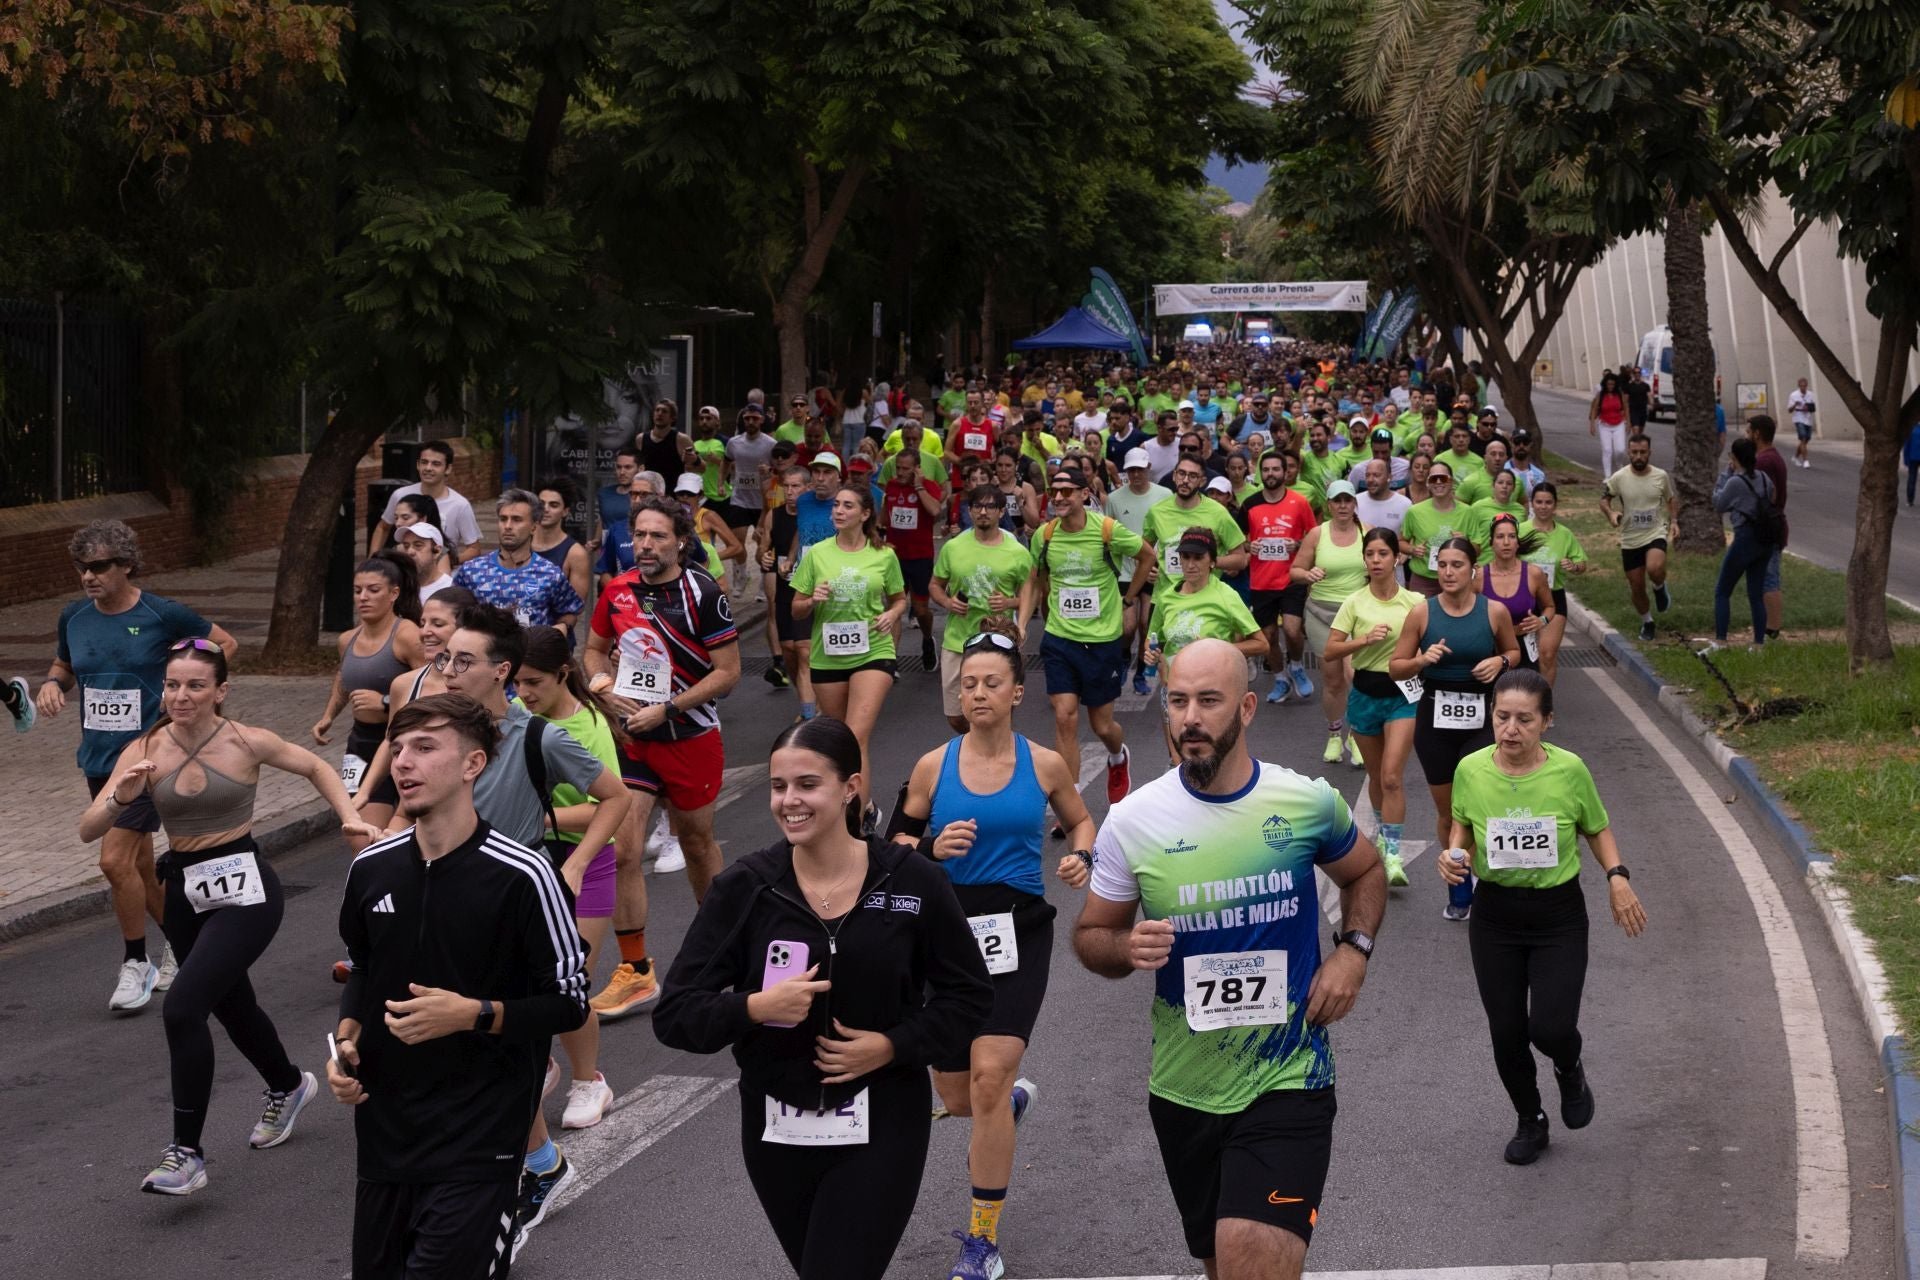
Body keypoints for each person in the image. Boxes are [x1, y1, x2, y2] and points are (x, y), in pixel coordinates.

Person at [1072, 639, 1387, 1280]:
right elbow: (1091, 936)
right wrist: (1122, 948)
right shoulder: (1132, 821)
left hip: (1289, 1077)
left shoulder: (1305, 803)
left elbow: (1366, 872)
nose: (1190, 717)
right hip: (1185, 1087)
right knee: (1222, 1266)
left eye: (1208, 701)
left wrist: (1352, 953)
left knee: (1251, 1260)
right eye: (1178, 701)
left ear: (1246, 708)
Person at [653, 717, 993, 1280]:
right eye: (778, 786)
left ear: (850, 787)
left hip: (882, 1118)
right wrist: (753, 1008)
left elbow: (969, 996)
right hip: (775, 1128)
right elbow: (675, 1014)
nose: (790, 801)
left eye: (807, 784)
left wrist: (891, 1045)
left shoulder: (912, 881)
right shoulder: (744, 888)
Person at [79, 639, 376, 1195]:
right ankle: (288, 1085)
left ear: (221, 691)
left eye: (195, 685)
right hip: (186, 891)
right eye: (172, 684)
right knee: (233, 1006)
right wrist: (119, 797)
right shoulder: (146, 747)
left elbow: (315, 765)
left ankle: (185, 1154)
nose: (181, 695)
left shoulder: (246, 740)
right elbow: (88, 829)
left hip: (246, 887)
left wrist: (350, 817)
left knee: (183, 1007)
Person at [329, 692, 590, 1279]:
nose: (402, 763)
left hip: (481, 1141)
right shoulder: (371, 869)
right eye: (398, 750)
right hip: (385, 1139)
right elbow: (364, 968)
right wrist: (346, 1043)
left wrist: (474, 1013)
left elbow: (569, 1002)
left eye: (424, 748)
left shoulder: (524, 874)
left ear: (473, 764)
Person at [889, 622, 1094, 1280]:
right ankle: (1004, 1109)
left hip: (1017, 930)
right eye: (968, 683)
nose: (976, 693)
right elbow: (892, 846)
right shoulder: (932, 765)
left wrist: (1081, 853)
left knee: (987, 1076)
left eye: (990, 683)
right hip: (944, 935)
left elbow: (1080, 817)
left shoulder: (1044, 763)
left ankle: (980, 1241)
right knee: (956, 1096)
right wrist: (928, 849)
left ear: (1015, 693)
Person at [1437, 670, 1647, 1164]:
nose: (1510, 729)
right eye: (1501, 717)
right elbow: (1462, 825)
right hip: (1496, 916)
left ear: (1547, 722)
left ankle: (1568, 1065)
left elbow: (1596, 827)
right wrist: (1452, 855)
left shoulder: (1570, 770)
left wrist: (1617, 877)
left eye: (1524, 719)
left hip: (1558, 916)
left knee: (1549, 1028)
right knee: (1506, 1030)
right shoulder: (1471, 768)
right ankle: (1530, 1120)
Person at [40, 520, 238, 1011]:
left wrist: (185, 703)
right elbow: (66, 666)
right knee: (142, 867)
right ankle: (187, 945)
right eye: (81, 567)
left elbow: (224, 646)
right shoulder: (74, 616)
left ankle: (136, 962)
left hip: (151, 756)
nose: (88, 576)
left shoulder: (161, 613)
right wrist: (50, 683)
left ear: (126, 564)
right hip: (99, 756)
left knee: (113, 860)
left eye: (100, 566)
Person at [583, 497, 743, 1019]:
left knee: (696, 845)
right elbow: (591, 650)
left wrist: (669, 707)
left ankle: (720, 951)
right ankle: (636, 971)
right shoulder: (617, 589)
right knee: (624, 849)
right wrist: (602, 686)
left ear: (680, 541)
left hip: (690, 736)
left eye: (657, 536)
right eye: (639, 535)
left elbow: (728, 672)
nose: (646, 545)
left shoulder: (704, 592)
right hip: (632, 739)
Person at [512, 629, 624, 1139]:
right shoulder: (516, 718)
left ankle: (589, 1079)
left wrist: (540, 814)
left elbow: (607, 806)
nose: (524, 693)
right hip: (530, 862)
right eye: (515, 682)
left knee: (569, 980)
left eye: (533, 682)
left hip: (586, 861)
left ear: (563, 674)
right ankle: (544, 1065)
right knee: (524, 978)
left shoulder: (590, 728)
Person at [1389, 536, 1522, 921]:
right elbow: (1395, 666)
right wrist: (1420, 660)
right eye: (1442, 564)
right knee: (1449, 813)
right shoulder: (1421, 613)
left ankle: (1490, 880)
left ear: (1472, 570)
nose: (1448, 572)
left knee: (1482, 802)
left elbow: (1515, 652)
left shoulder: (1493, 612)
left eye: (1456, 565)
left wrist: (1500, 662)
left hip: (1482, 720)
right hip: (1435, 721)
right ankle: (1459, 887)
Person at [790, 483, 907, 834]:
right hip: (829, 655)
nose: (838, 511)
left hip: (874, 650)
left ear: (865, 513)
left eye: (847, 506)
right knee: (837, 737)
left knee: (856, 736)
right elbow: (795, 609)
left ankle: (853, 824)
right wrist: (812, 601)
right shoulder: (817, 554)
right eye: (836, 506)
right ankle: (865, 805)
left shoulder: (884, 554)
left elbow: (900, 598)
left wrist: (893, 614)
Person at [1033, 465, 1144, 817]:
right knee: (1065, 717)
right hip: (1061, 638)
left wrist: (1129, 600)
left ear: (1085, 495)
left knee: (1101, 725)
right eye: (1055, 491)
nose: (1060, 497)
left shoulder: (1108, 530)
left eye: (1068, 491)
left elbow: (1148, 558)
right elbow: (1038, 578)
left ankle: (1117, 756)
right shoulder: (1045, 535)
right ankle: (1071, 799)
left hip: (1101, 640)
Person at [1324, 528, 1423, 886]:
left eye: (1383, 554)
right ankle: (1384, 831)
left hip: (1402, 698)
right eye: (1370, 555)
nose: (1376, 560)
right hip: (1365, 697)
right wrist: (1364, 640)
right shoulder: (1355, 602)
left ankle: (1393, 855)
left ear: (1397, 558)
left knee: (1393, 776)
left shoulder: (1414, 602)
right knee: (1378, 775)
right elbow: (1330, 650)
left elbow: (1428, 638)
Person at [349, 586, 475, 838]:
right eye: (423, 622)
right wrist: (364, 792)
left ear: (463, 631)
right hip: (413, 803)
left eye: (437, 624)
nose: (425, 631)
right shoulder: (405, 684)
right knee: (372, 847)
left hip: (467, 802)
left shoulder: (476, 683)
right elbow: (390, 740)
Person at [312, 553, 426, 800]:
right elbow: (344, 678)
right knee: (358, 829)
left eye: (373, 590)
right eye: (357, 590)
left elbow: (431, 687)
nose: (363, 597)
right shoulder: (346, 639)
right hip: (360, 741)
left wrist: (385, 703)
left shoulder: (408, 636)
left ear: (394, 594)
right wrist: (328, 715)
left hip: (402, 741)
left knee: (396, 825)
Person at [930, 488, 1037, 735]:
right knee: (957, 716)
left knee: (997, 709)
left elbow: (1031, 591)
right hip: (958, 640)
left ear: (1001, 512)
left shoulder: (1017, 552)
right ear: (970, 511)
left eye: (990, 507)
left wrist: (1016, 616)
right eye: (978, 506)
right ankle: (980, 745)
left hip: (999, 639)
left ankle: (989, 756)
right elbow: (935, 585)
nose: (983, 512)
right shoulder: (953, 547)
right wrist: (948, 603)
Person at [1292, 478, 1369, 767]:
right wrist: (1307, 574)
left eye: (1347, 500)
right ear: (1329, 505)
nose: (1343, 506)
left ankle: (1357, 736)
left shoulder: (1367, 532)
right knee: (1333, 681)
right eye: (1337, 500)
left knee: (1356, 678)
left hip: (1358, 615)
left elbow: (1383, 567)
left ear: (1354, 504)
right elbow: (1295, 571)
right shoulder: (1316, 534)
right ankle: (1335, 735)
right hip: (1322, 614)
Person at [1239, 450, 1318, 705]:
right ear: (1260, 473)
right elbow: (1235, 538)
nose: (1270, 474)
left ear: (1286, 473)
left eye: (1275, 469)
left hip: (1291, 578)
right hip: (1261, 582)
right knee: (1269, 637)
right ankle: (1281, 677)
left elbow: (1314, 536)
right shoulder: (1250, 504)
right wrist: (1247, 546)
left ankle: (1296, 665)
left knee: (1293, 631)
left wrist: (1298, 545)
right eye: (1266, 470)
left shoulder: (1299, 502)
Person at [453, 489, 586, 631]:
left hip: (531, 651)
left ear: (534, 527)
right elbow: (452, 610)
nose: (508, 526)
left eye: (517, 520)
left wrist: (558, 633)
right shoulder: (471, 571)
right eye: (503, 519)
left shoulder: (550, 574)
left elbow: (570, 612)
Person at [1599, 434, 1679, 641]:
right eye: (1634, 452)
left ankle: (1660, 587)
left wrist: (1675, 521)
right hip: (1630, 537)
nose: (1638, 456)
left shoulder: (1660, 476)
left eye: (1643, 452)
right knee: (1636, 586)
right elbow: (1604, 500)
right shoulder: (1619, 477)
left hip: (1655, 532)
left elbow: (1670, 499)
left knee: (1654, 568)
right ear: (1629, 453)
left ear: (1649, 453)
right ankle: (1648, 622)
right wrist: (1611, 514)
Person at [1106, 448, 1172, 694]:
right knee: (1127, 627)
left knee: (1147, 624)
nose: (1135, 474)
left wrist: (1161, 565)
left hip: (1154, 570)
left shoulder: (1165, 494)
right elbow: (1108, 535)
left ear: (1148, 468)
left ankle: (1142, 672)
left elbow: (1169, 535)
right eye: (1131, 470)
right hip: (1124, 572)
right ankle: (1124, 657)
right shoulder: (1114, 498)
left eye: (1140, 469)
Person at [1705, 437, 1778, 652]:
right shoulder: (1764, 478)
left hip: (1745, 537)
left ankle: (1721, 640)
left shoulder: (1735, 481)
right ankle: (1758, 643)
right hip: (1765, 540)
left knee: (1722, 590)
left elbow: (1718, 503)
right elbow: (1771, 497)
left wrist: (1725, 475)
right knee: (1755, 593)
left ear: (1734, 458)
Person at [880, 444, 946, 670]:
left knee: (920, 610)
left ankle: (928, 640)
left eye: (906, 469)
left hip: (920, 557)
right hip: (895, 557)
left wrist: (918, 487)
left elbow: (935, 511)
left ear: (917, 469)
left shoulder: (929, 487)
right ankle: (891, 659)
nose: (899, 473)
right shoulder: (891, 486)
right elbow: (884, 518)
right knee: (895, 608)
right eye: (898, 468)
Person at [1519, 483, 1587, 686]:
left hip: (1553, 597)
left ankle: (1545, 708)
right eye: (1539, 502)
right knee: (1521, 655)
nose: (1543, 506)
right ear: (1532, 504)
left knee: (1547, 654)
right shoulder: (1520, 531)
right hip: (1523, 598)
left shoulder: (1564, 534)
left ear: (1555, 505)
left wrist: (1573, 566)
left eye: (1548, 502)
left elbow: (1582, 563)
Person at [369, 440, 482, 561]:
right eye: (424, 462)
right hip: (406, 572)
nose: (428, 468)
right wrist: (372, 562)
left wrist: (448, 561)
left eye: (436, 464)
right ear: (417, 465)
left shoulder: (460, 505)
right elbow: (382, 527)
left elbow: (474, 549)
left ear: (448, 469)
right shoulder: (400, 495)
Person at [763, 465, 813, 706]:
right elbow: (764, 549)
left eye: (796, 486)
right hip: (785, 585)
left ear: (807, 488)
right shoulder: (775, 515)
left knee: (804, 650)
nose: (790, 492)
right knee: (789, 649)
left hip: (809, 589)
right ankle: (804, 696)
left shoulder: (813, 514)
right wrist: (763, 557)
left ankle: (809, 709)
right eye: (787, 487)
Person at [1481, 514, 1556, 669]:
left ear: (1517, 543)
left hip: (1525, 648)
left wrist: (1541, 621)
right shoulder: (1479, 577)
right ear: (1491, 543)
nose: (1506, 542)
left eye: (1512, 536)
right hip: (1491, 649)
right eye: (1500, 537)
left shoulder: (1533, 574)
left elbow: (1550, 607)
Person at [1399, 460, 1481, 598]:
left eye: (1442, 478)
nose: (1438, 482)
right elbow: (1401, 542)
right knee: (1421, 618)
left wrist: (1465, 542)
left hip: (1457, 578)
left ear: (1451, 481)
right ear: (1428, 483)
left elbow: (1477, 550)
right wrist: (1413, 550)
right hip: (1423, 579)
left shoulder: (1468, 512)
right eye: (1433, 479)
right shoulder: (1414, 511)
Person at [1747, 415, 1790, 639]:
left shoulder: (1764, 461)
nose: (1746, 435)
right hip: (1772, 525)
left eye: (1749, 432)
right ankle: (1765, 625)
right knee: (1765, 577)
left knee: (1769, 578)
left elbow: (1767, 495)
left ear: (1757, 434)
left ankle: (1772, 629)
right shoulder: (1772, 457)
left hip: (1769, 527)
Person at [533, 479, 592, 609]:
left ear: (565, 511)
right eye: (541, 504)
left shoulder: (576, 553)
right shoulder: (522, 542)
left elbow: (576, 607)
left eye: (553, 505)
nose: (546, 509)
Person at [637, 397, 699, 491]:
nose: (660, 414)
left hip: (673, 496)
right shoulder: (641, 439)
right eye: (657, 410)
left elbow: (702, 468)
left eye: (664, 411)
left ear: (672, 418)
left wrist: (695, 460)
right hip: (648, 495)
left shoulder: (682, 440)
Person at [1354, 457, 1411, 536]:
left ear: (1389, 478)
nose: (1370, 480)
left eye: (1376, 475)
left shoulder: (1405, 504)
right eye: (1367, 475)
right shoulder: (1355, 502)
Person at [1589, 371, 1629, 478]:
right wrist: (1592, 425)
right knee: (1607, 450)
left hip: (1619, 424)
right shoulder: (1601, 395)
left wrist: (1628, 423)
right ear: (1605, 384)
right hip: (1604, 425)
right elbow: (1594, 409)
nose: (1610, 386)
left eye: (1612, 384)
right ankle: (1607, 476)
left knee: (1620, 450)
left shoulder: (1619, 394)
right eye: (1608, 384)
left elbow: (1626, 408)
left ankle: (1619, 463)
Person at [1788, 376, 1817, 468]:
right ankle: (1805, 461)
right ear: (1799, 386)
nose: (1803, 388)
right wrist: (1795, 404)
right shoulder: (1793, 395)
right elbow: (1789, 410)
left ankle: (1795, 457)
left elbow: (1813, 408)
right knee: (1803, 438)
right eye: (1801, 386)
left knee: (1806, 440)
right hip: (1798, 418)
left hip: (1808, 418)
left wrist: (1807, 407)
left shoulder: (1811, 394)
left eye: (1804, 386)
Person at [1906, 415, 1920, 506]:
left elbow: (1907, 445)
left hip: (1912, 457)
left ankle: (1910, 500)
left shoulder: (1911, 429)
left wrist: (1906, 459)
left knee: (1912, 478)